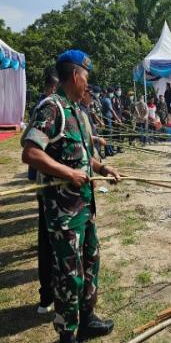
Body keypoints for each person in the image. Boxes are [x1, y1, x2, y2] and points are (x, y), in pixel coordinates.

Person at [21, 49, 120, 343]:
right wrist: (68, 174)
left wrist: (102, 168)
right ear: (75, 75)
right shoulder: (53, 108)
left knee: (90, 262)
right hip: (63, 213)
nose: (87, 84)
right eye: (86, 77)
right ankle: (67, 334)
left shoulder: (78, 111)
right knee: (68, 274)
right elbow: (30, 152)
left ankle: (87, 319)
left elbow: (83, 157)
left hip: (84, 208)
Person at [28, 68, 59, 315]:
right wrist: (69, 173)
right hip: (51, 191)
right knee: (48, 245)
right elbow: (30, 150)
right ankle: (47, 296)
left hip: (66, 194)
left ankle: (54, 295)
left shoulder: (66, 108)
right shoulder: (48, 108)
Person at [101, 87, 120, 156]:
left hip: (108, 119)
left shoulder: (107, 99)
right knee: (108, 136)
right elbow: (112, 110)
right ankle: (108, 151)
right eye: (112, 92)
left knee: (109, 136)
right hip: (107, 120)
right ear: (110, 92)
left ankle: (110, 150)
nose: (113, 94)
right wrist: (117, 119)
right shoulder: (107, 100)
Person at [112, 86, 124, 152]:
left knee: (120, 133)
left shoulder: (119, 98)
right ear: (116, 91)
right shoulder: (114, 98)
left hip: (120, 118)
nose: (120, 92)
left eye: (120, 90)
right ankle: (115, 147)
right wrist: (116, 119)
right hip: (116, 119)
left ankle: (119, 147)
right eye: (119, 90)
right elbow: (113, 109)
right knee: (116, 134)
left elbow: (120, 109)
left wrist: (122, 117)